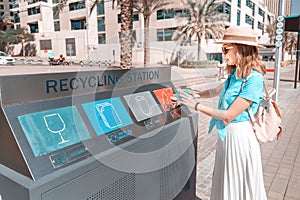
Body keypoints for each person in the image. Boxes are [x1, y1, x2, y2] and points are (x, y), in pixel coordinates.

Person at [177, 26, 267, 200]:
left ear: (242, 49)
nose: (223, 53)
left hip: (240, 138)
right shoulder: (235, 74)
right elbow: (216, 91)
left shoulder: (254, 79)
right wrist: (194, 93)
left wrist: (195, 105)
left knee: (237, 184)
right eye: (222, 49)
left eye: (226, 49)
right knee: (225, 180)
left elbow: (229, 115)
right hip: (227, 136)